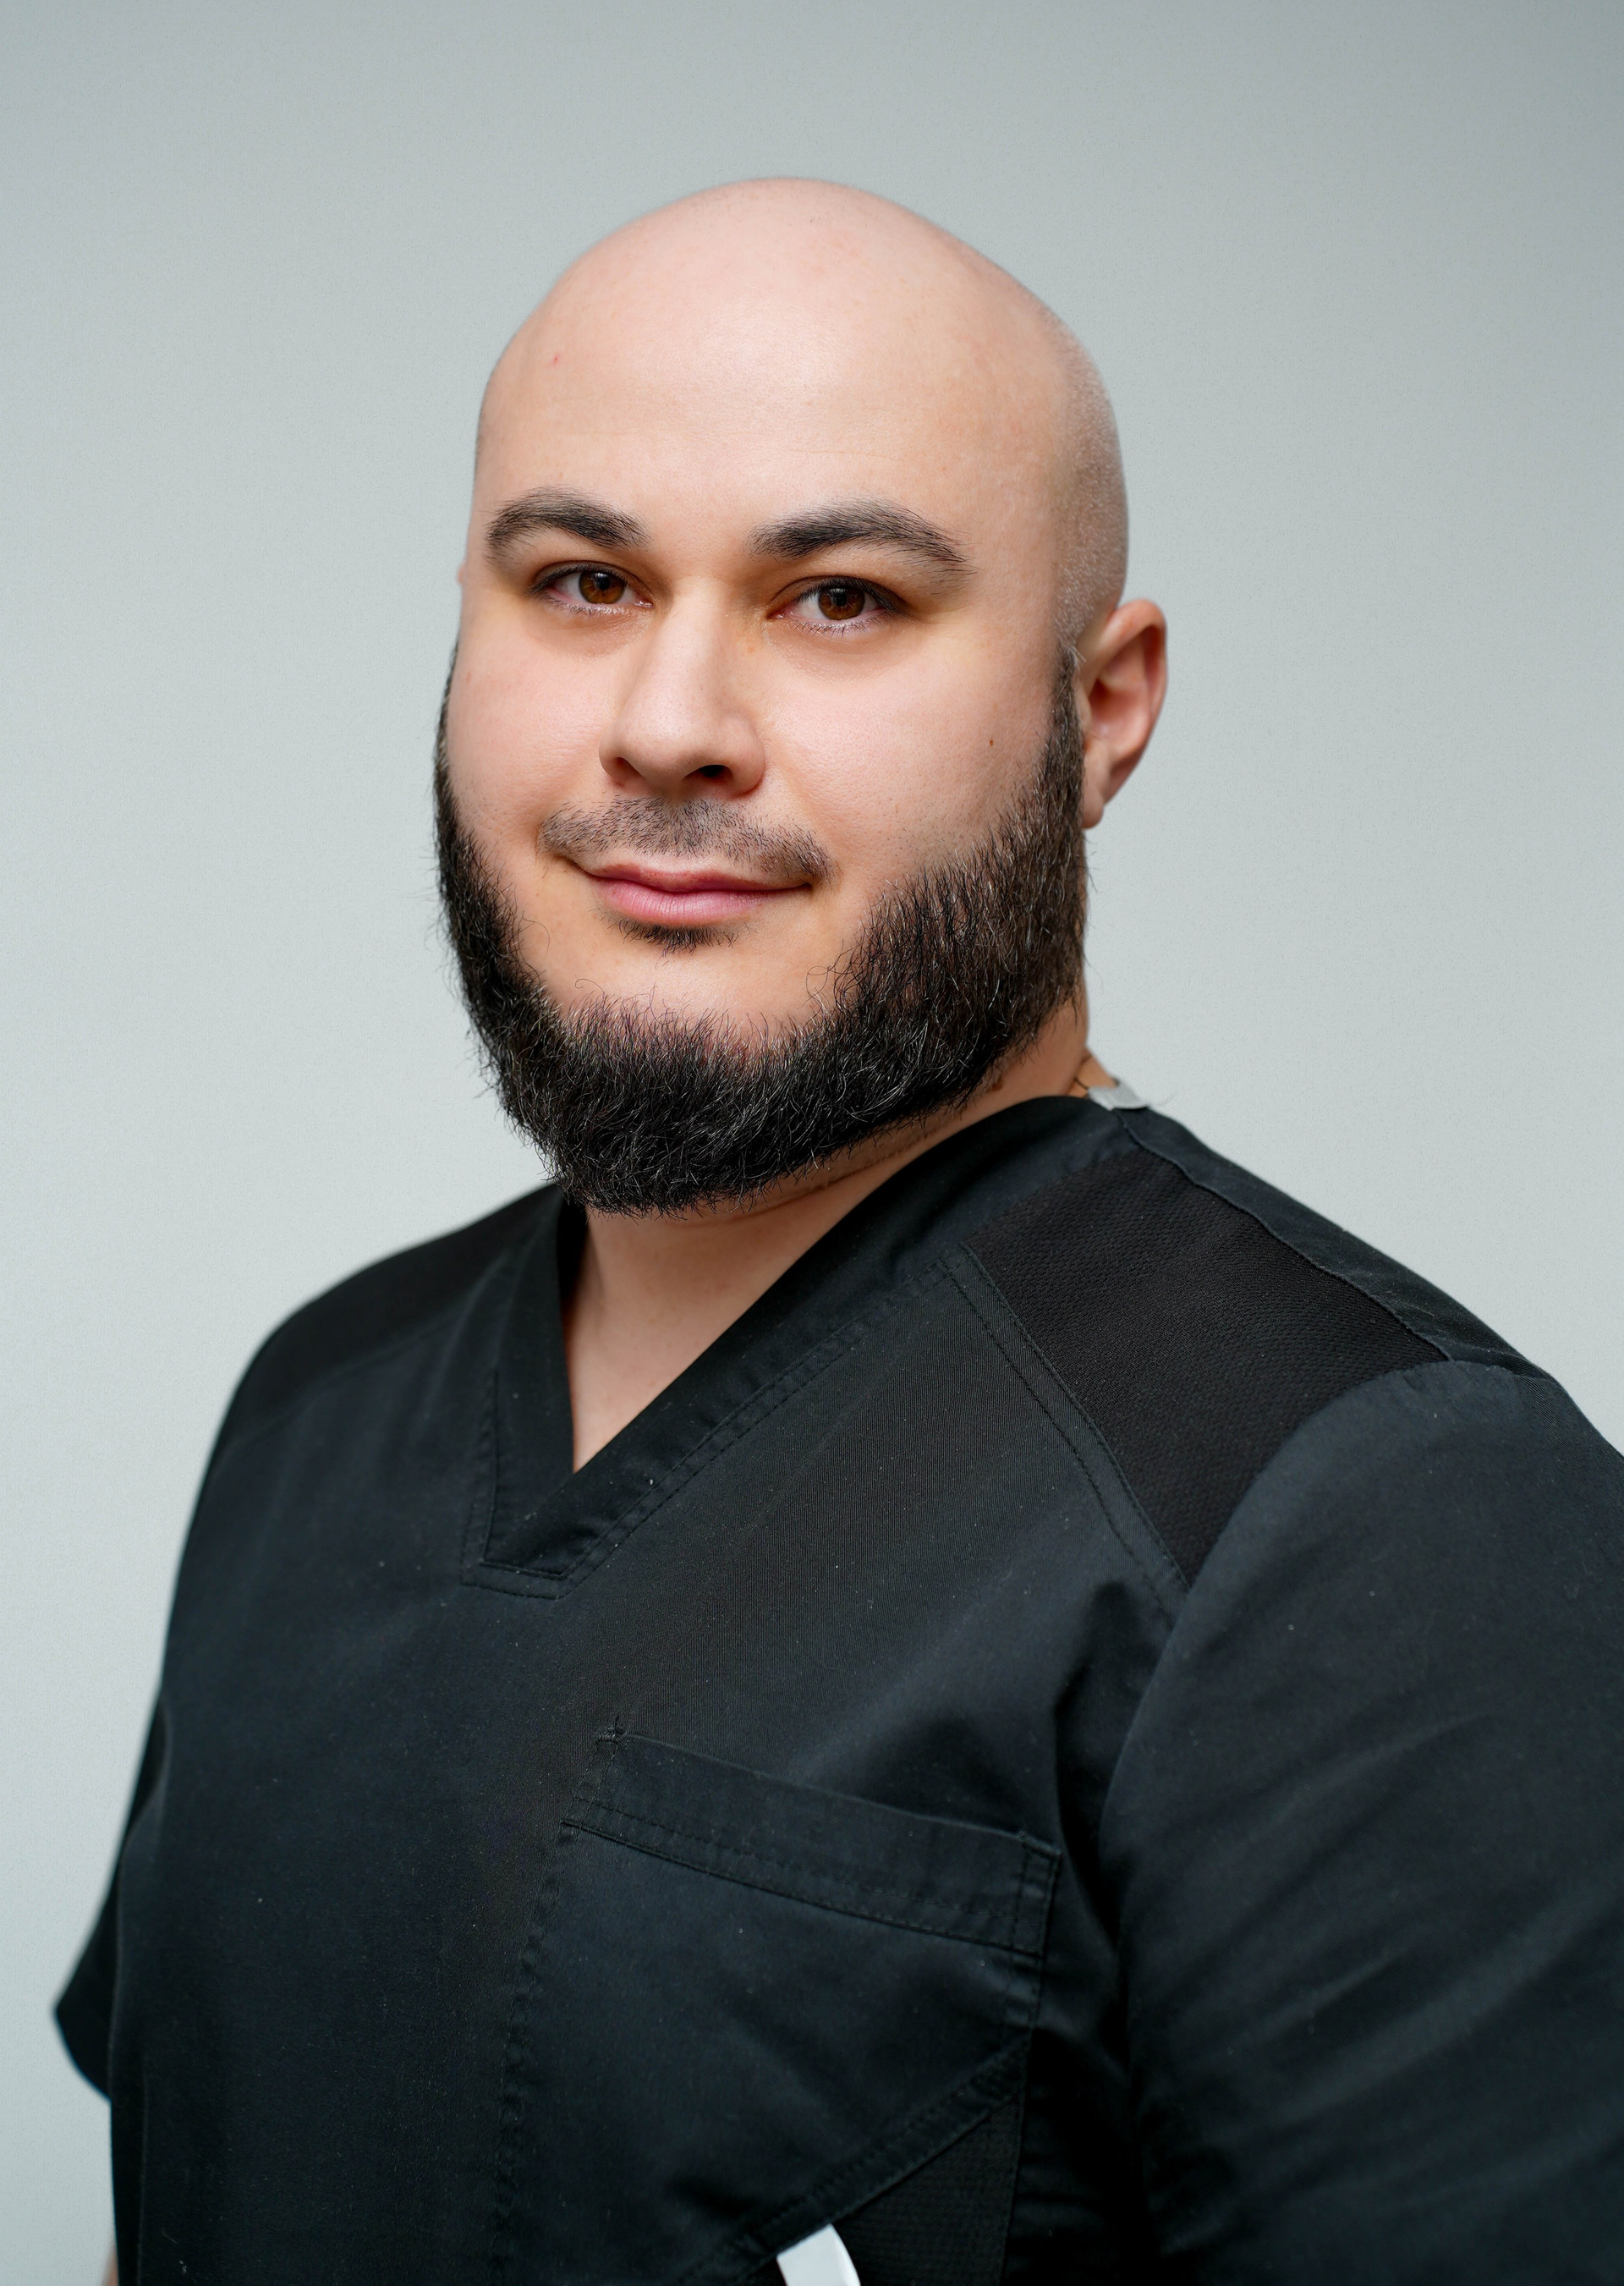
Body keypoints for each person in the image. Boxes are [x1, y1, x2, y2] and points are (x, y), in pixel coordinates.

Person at [59, 180, 1623, 2286]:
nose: (671, 720)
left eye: (841, 599)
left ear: (1104, 708)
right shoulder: (319, 1405)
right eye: (583, 579)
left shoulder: (1379, 1524)